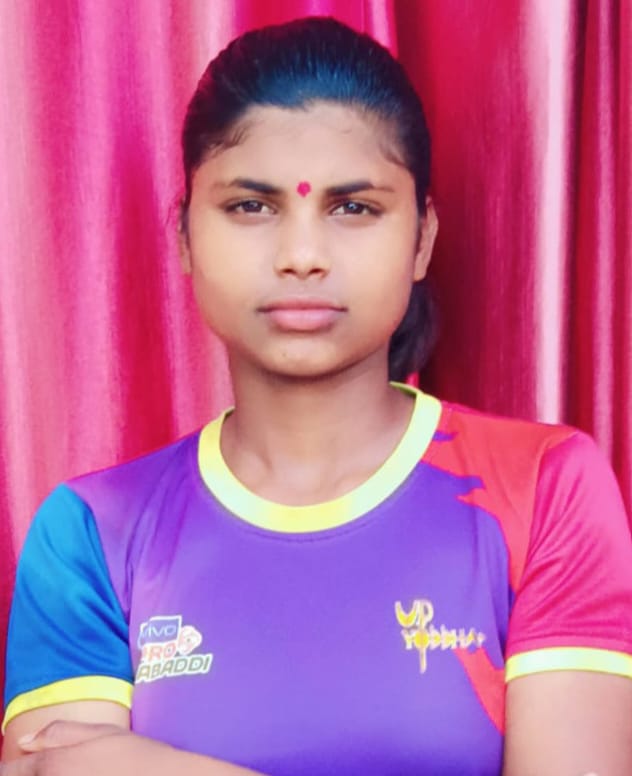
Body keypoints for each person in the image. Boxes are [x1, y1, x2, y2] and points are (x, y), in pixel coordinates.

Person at [2, 16, 632, 776]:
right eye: (251, 206)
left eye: (353, 207)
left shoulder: (545, 489)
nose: (302, 255)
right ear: (185, 239)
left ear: (422, 239)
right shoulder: (92, 534)